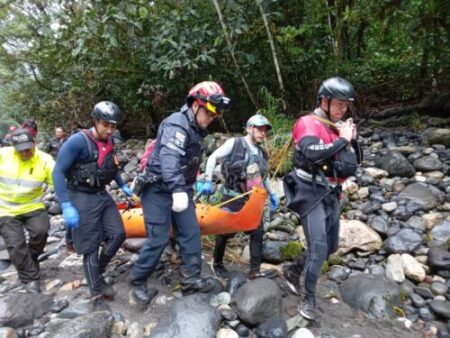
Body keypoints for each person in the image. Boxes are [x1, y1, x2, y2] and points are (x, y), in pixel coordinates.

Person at [128, 81, 230, 306]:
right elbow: (169, 159)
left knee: (191, 231)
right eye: (210, 113)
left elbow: (188, 163)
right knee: (159, 237)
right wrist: (177, 189)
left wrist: (196, 183)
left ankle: (190, 280)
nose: (212, 119)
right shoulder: (177, 124)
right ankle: (137, 281)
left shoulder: (197, 130)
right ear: (195, 105)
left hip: (179, 189)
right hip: (157, 189)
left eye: (216, 115)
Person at [283, 77, 361, 321]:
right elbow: (311, 153)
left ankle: (292, 272)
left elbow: (356, 159)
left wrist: (353, 139)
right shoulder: (308, 123)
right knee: (318, 250)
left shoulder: (337, 125)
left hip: (331, 193)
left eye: (346, 105)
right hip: (309, 192)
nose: (343, 110)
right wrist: (342, 139)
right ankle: (308, 300)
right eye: (339, 104)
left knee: (331, 247)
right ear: (324, 101)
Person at [53, 101, 134, 300]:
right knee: (90, 244)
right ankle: (95, 288)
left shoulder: (110, 142)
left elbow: (111, 167)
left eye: (113, 126)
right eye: (106, 125)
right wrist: (65, 204)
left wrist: (122, 185)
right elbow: (58, 172)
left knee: (118, 234)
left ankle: (96, 271)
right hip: (79, 193)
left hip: (100, 193)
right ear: (96, 121)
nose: (109, 130)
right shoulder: (77, 141)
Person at [197, 114, 279, 279]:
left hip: (252, 201)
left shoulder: (262, 153)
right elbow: (213, 157)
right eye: (259, 129)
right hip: (232, 197)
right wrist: (207, 180)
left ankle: (254, 270)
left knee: (257, 231)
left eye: (265, 130)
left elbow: (264, 177)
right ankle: (217, 263)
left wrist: (272, 194)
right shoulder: (235, 143)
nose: (263, 133)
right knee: (225, 230)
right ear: (250, 128)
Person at [0, 128, 55, 293]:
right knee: (16, 245)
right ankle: (30, 278)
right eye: (21, 150)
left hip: (33, 205)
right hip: (5, 209)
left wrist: (68, 203)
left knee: (41, 232)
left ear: (34, 144)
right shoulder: (3, 156)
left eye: (28, 148)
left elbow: (58, 182)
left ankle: (30, 260)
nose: (25, 153)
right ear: (13, 147)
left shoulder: (45, 160)